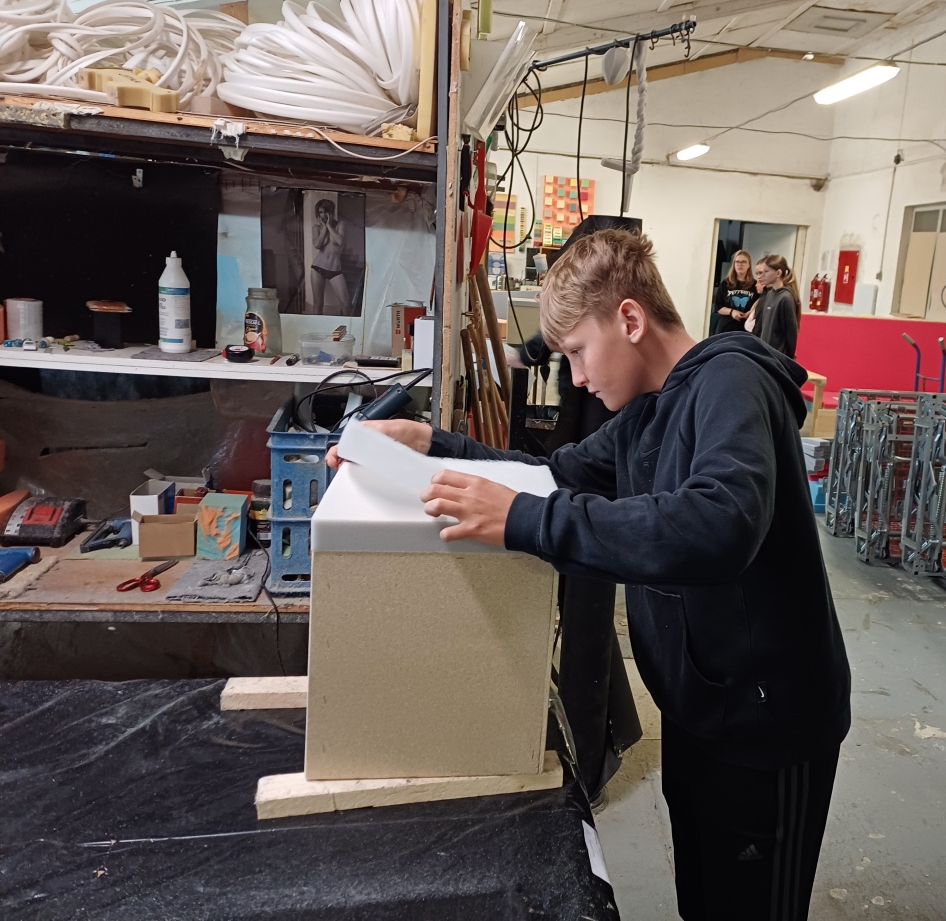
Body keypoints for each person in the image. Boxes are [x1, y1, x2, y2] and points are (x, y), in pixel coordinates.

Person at [330, 229, 851, 921]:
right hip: (701, 707)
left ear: (629, 319)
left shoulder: (731, 382)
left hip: (768, 727)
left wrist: (525, 521)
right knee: (705, 899)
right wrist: (430, 446)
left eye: (578, 351)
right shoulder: (644, 416)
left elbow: (720, 523)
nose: (575, 377)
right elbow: (552, 476)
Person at [508, 329, 643, 803]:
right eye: (570, 356)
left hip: (595, 484)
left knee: (587, 618)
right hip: (583, 459)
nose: (579, 373)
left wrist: (529, 350)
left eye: (578, 352)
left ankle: (586, 767)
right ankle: (586, 759)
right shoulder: (612, 397)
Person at [755, 254, 801, 359]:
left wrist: (788, 359)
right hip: (766, 353)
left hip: (778, 356)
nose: (762, 276)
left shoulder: (786, 298)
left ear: (778, 273)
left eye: (766, 272)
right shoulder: (769, 294)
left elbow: (790, 332)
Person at [310, 198, 351, 315]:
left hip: (335, 270)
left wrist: (328, 225)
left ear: (331, 212)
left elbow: (339, 241)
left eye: (325, 212)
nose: (323, 215)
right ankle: (316, 326)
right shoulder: (316, 227)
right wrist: (324, 229)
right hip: (317, 268)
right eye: (320, 212)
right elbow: (317, 245)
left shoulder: (340, 224)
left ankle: (346, 326)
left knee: (345, 304)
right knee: (318, 303)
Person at [713, 250, 757, 334]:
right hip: (726, 328)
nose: (740, 264)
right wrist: (732, 312)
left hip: (746, 329)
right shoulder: (725, 283)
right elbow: (718, 307)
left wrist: (751, 313)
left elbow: (759, 305)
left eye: (743, 262)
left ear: (749, 264)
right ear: (734, 264)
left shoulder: (755, 284)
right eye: (737, 262)